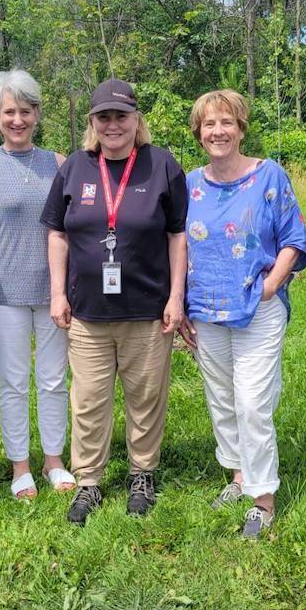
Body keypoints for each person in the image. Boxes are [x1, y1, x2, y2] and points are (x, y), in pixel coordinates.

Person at [40, 78, 188, 526]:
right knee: (88, 400)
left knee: (145, 397)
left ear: (136, 119)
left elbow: (177, 235)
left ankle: (142, 473)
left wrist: (176, 297)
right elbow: (57, 233)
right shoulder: (75, 169)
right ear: (92, 122)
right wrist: (57, 292)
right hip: (87, 313)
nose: (113, 124)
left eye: (121, 116)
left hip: (147, 309)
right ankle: (89, 481)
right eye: (103, 116)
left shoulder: (161, 165)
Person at [177, 90, 306, 539]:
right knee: (222, 398)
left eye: (227, 122)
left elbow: (294, 238)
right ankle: (237, 476)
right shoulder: (189, 184)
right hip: (206, 310)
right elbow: (178, 245)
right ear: (198, 133)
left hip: (258, 308)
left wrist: (272, 285)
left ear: (241, 128)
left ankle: (263, 498)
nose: (218, 132)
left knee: (253, 402)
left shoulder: (269, 175)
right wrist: (180, 303)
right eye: (209, 125)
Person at [0, 70, 74, 501]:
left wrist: (67, 290)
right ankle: (20, 467)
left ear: (37, 114)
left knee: (52, 380)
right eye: (9, 111)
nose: (18, 119)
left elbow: (68, 230)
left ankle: (54, 461)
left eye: (26, 111)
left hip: (54, 292)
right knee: (12, 382)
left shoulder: (58, 163)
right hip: (2, 295)